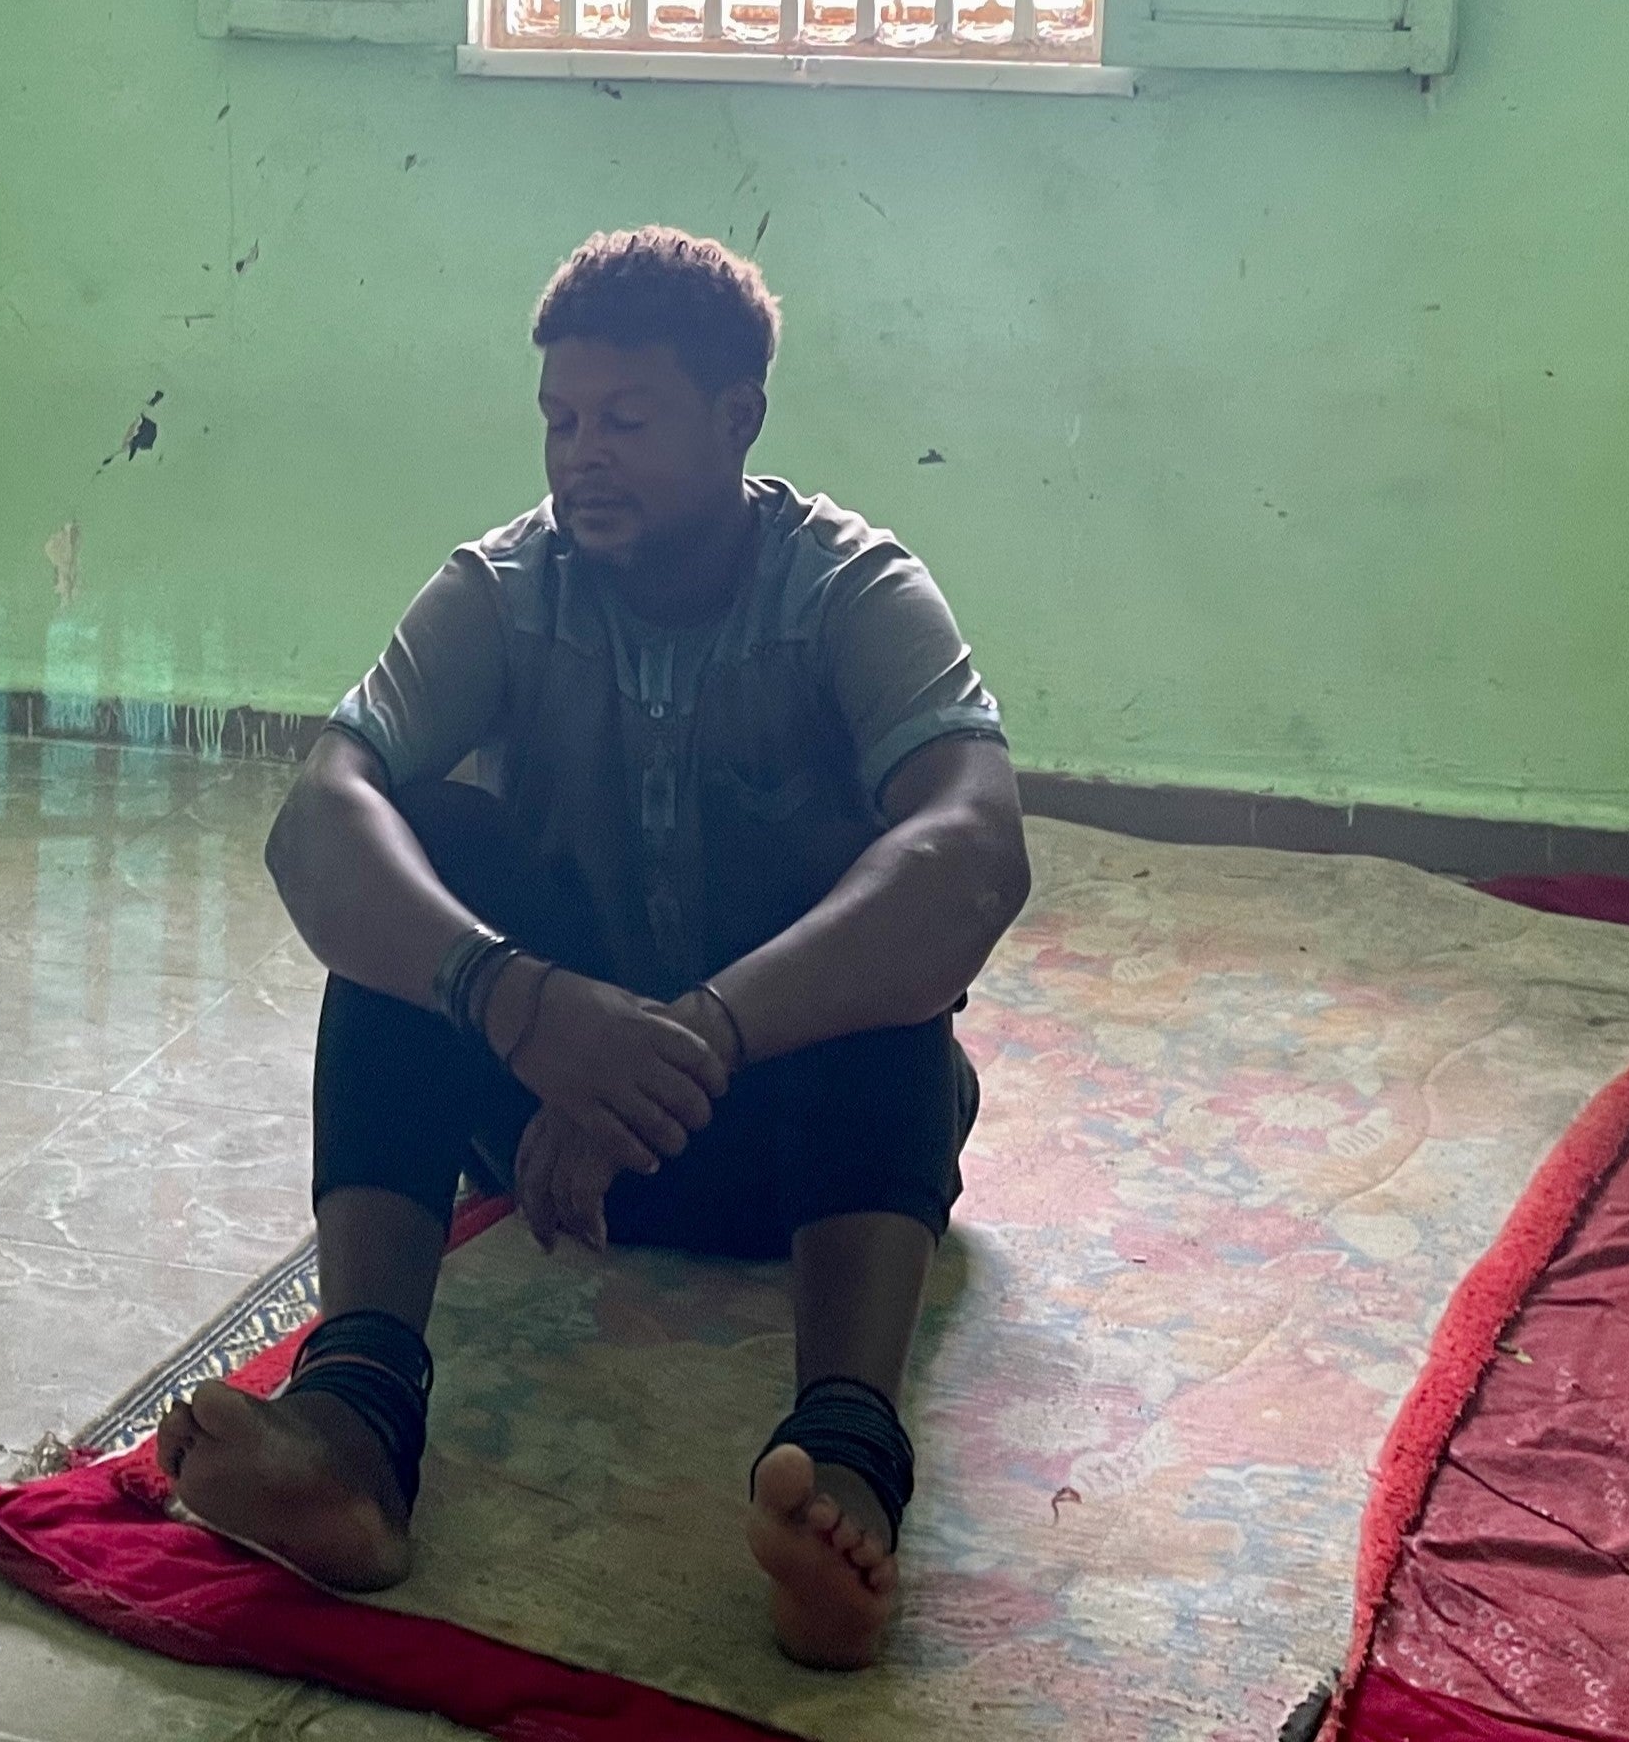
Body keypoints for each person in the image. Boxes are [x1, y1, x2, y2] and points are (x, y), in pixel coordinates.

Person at [161, 228, 1027, 1670]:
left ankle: (844, 1460)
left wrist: (700, 1035)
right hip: (543, 1128)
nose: (582, 456)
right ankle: (356, 1425)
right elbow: (316, 820)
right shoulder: (503, 589)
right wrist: (513, 1002)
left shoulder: (853, 590)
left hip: (790, 1159)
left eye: (626, 420)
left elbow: (978, 852)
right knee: (414, 852)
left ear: (737, 421)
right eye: (562, 420)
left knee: (882, 905)